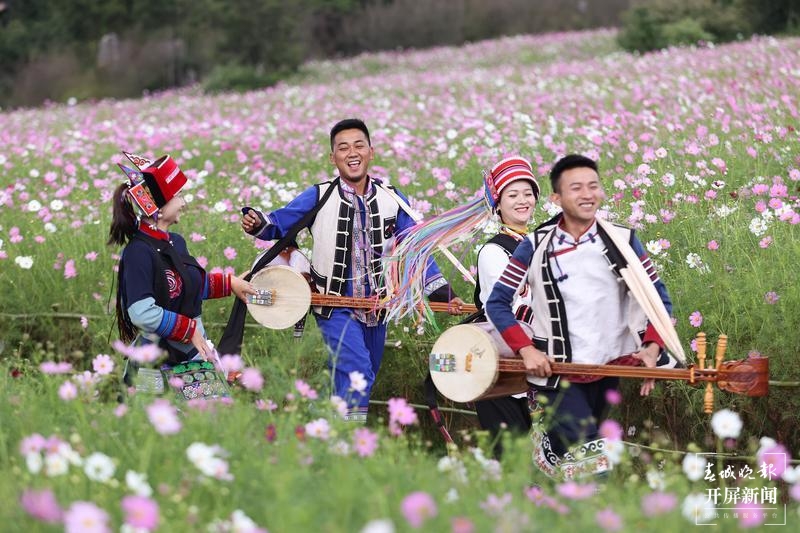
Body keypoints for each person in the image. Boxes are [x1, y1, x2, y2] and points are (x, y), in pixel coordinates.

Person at [241, 118, 464, 422]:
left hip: (376, 307)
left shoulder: (393, 199)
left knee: (357, 377)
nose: (352, 152)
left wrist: (442, 293)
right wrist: (257, 222)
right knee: (358, 372)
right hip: (333, 306)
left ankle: (323, 433)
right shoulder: (319, 195)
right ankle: (348, 446)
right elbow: (278, 223)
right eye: (342, 148)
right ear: (333, 158)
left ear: (371, 151)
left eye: (359, 145)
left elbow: (415, 249)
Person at [485, 154, 683, 479]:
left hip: (607, 370)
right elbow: (497, 303)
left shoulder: (624, 240)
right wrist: (526, 349)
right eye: (576, 188)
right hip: (554, 374)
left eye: (593, 186)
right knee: (593, 463)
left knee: (573, 458)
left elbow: (657, 299)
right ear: (556, 198)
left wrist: (651, 348)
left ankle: (540, 493)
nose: (587, 194)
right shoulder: (535, 245)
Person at [108, 153, 255, 390]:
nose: (183, 202)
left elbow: (186, 285)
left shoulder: (175, 241)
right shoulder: (138, 253)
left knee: (208, 415)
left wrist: (231, 283)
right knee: (157, 421)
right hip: (156, 359)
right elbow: (141, 312)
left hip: (192, 351)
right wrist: (189, 330)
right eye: (177, 196)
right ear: (157, 208)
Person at [472, 156, 539, 451]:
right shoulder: (493, 251)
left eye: (528, 193)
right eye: (512, 195)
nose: (522, 201)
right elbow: (507, 308)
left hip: (536, 367)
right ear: (498, 205)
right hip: (501, 370)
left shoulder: (542, 242)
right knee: (512, 463)